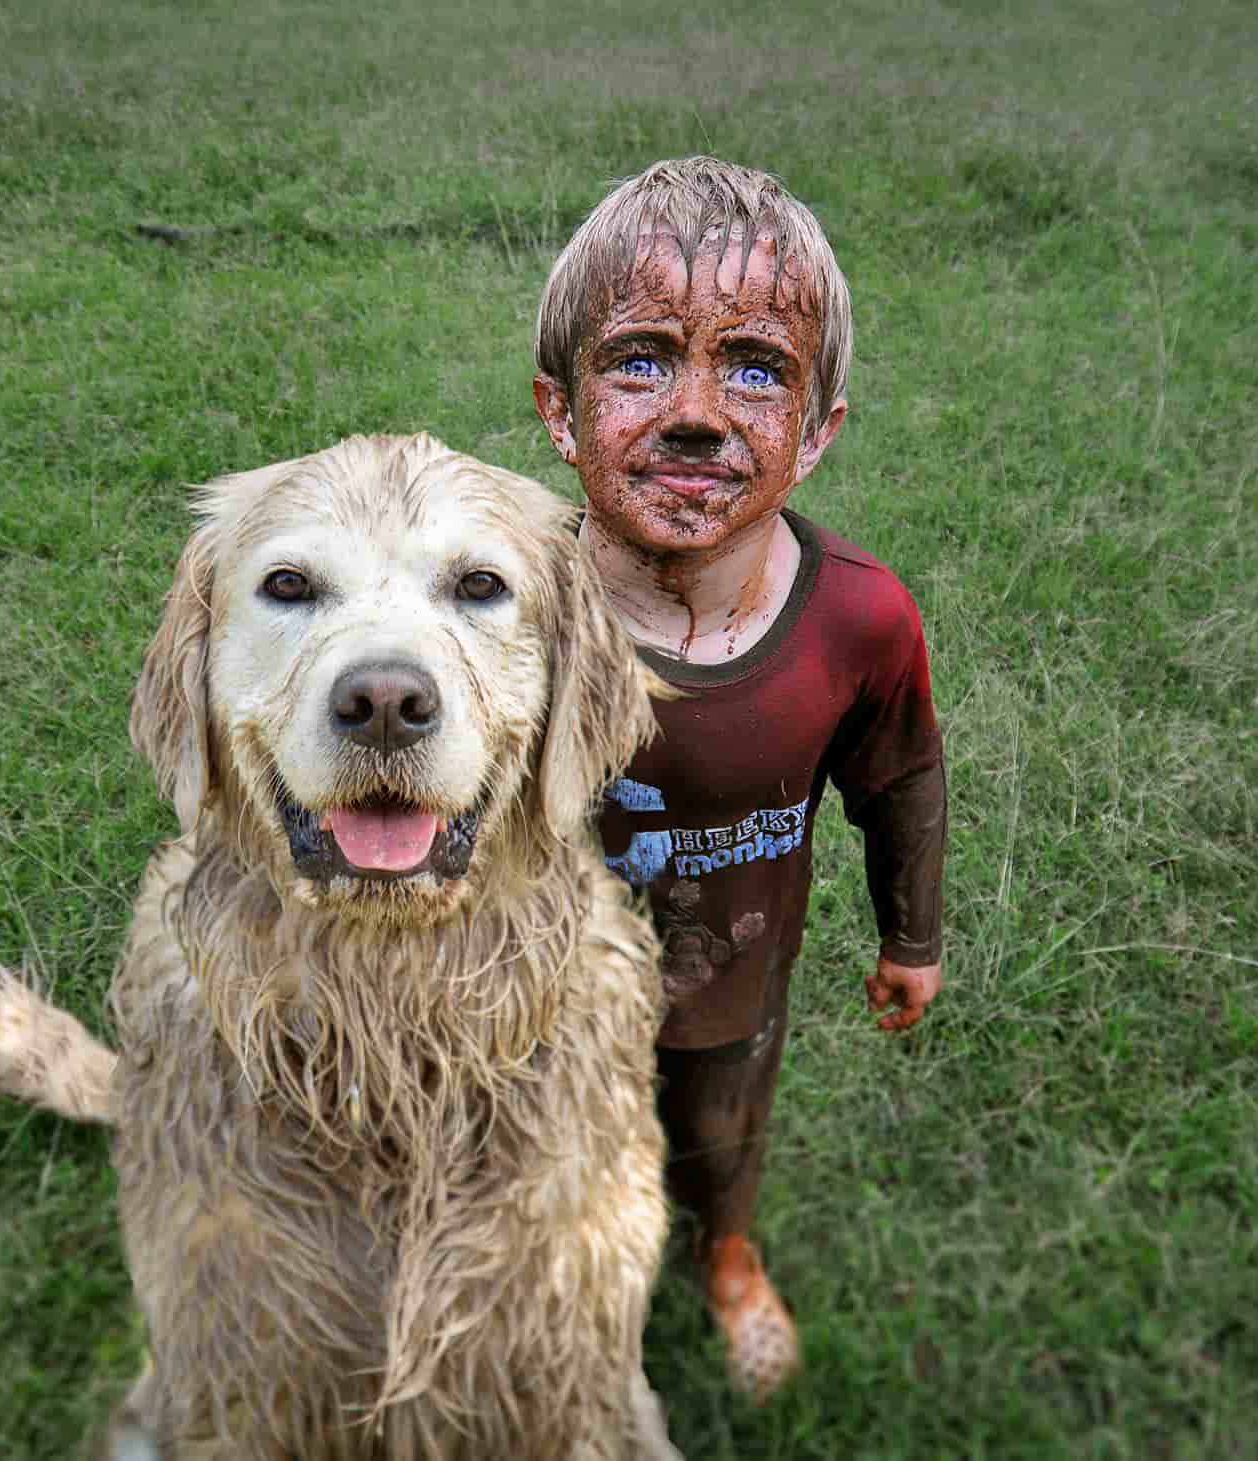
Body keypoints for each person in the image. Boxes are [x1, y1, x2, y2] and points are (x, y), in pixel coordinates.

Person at [527, 156, 948, 1403]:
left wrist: (912, 934)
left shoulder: (860, 623)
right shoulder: (491, 603)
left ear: (816, 432)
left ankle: (725, 1257)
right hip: (524, 984)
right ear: (561, 410)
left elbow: (902, 781)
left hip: (735, 969)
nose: (700, 411)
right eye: (643, 358)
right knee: (538, 1143)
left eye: (756, 368)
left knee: (722, 1133)